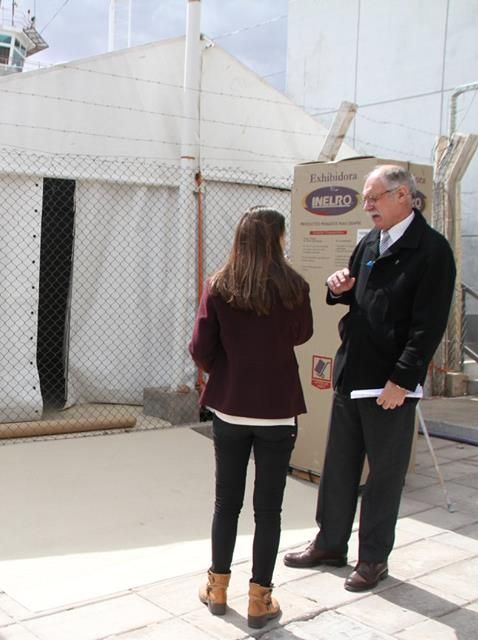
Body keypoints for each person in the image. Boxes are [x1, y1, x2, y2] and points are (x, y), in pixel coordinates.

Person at [283, 165, 456, 592]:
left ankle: (373, 558)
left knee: (383, 476)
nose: (367, 206)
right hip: (352, 372)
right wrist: (338, 287)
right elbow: (357, 296)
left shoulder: (432, 251)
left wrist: (403, 380)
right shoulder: (370, 242)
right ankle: (330, 543)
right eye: (365, 198)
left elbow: (429, 326)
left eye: (374, 197)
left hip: (389, 386)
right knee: (339, 468)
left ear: (403, 196)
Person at [189, 206, 313, 629]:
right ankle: (261, 599)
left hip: (231, 406)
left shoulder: (219, 285)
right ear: (278, 239)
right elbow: (302, 334)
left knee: (227, 502)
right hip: (278, 409)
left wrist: (227, 368)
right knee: (269, 509)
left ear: (240, 238)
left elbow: (200, 348)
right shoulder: (294, 286)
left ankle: (217, 587)